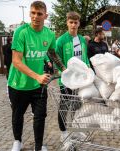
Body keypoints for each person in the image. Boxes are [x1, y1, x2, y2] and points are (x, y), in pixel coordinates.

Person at [8, 1, 65, 151]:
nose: (35, 16)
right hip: (18, 84)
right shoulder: (21, 32)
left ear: (45, 15)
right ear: (29, 14)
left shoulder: (49, 34)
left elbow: (53, 53)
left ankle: (39, 147)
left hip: (38, 85)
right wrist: (37, 76)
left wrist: (65, 70)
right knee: (17, 115)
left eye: (39, 14)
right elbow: (16, 61)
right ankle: (17, 141)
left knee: (40, 116)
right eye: (33, 13)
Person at [55, 11, 90, 142]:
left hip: (80, 80)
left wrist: (88, 70)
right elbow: (55, 57)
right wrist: (63, 71)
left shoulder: (81, 39)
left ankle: (75, 130)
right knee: (64, 106)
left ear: (79, 23)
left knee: (77, 105)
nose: (73, 25)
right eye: (71, 22)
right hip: (66, 80)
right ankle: (63, 132)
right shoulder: (61, 40)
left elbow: (85, 57)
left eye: (76, 22)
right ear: (67, 23)